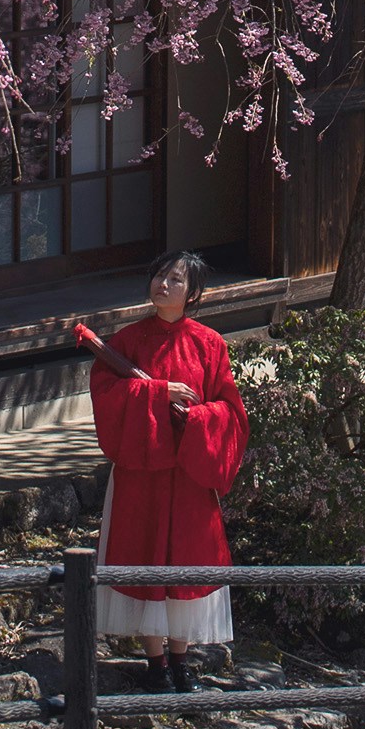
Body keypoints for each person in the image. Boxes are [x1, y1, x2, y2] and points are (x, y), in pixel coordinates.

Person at [87, 248, 250, 689]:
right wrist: (158, 394)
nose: (163, 284)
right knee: (145, 554)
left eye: (175, 280)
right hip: (144, 472)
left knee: (187, 559)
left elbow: (231, 412)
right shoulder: (126, 342)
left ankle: (181, 659)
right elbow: (105, 393)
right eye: (159, 275)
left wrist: (197, 418)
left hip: (190, 473)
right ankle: (155, 661)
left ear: (193, 293)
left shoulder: (210, 344)